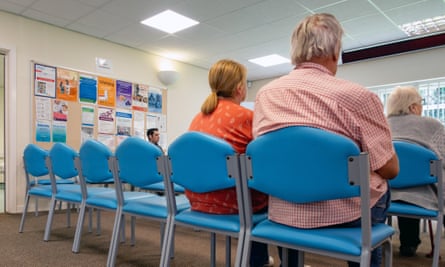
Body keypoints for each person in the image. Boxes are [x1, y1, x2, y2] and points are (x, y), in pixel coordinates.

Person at [252, 13, 399, 267]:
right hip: (347, 213)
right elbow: (390, 168)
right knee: (382, 186)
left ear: (296, 51)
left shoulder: (264, 96)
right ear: (335, 51)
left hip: (284, 210)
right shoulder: (358, 97)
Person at [188, 59, 272, 267]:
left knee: (249, 188)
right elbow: (267, 156)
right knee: (281, 199)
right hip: (233, 204)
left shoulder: (197, 118)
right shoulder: (247, 116)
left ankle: (259, 259)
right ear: (240, 88)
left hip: (198, 200)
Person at [386, 85, 445, 257]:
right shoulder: (431, 125)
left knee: (405, 188)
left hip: (389, 193)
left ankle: (408, 244)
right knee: (418, 187)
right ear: (412, 106)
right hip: (427, 196)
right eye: (420, 103)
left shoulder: (383, 125)